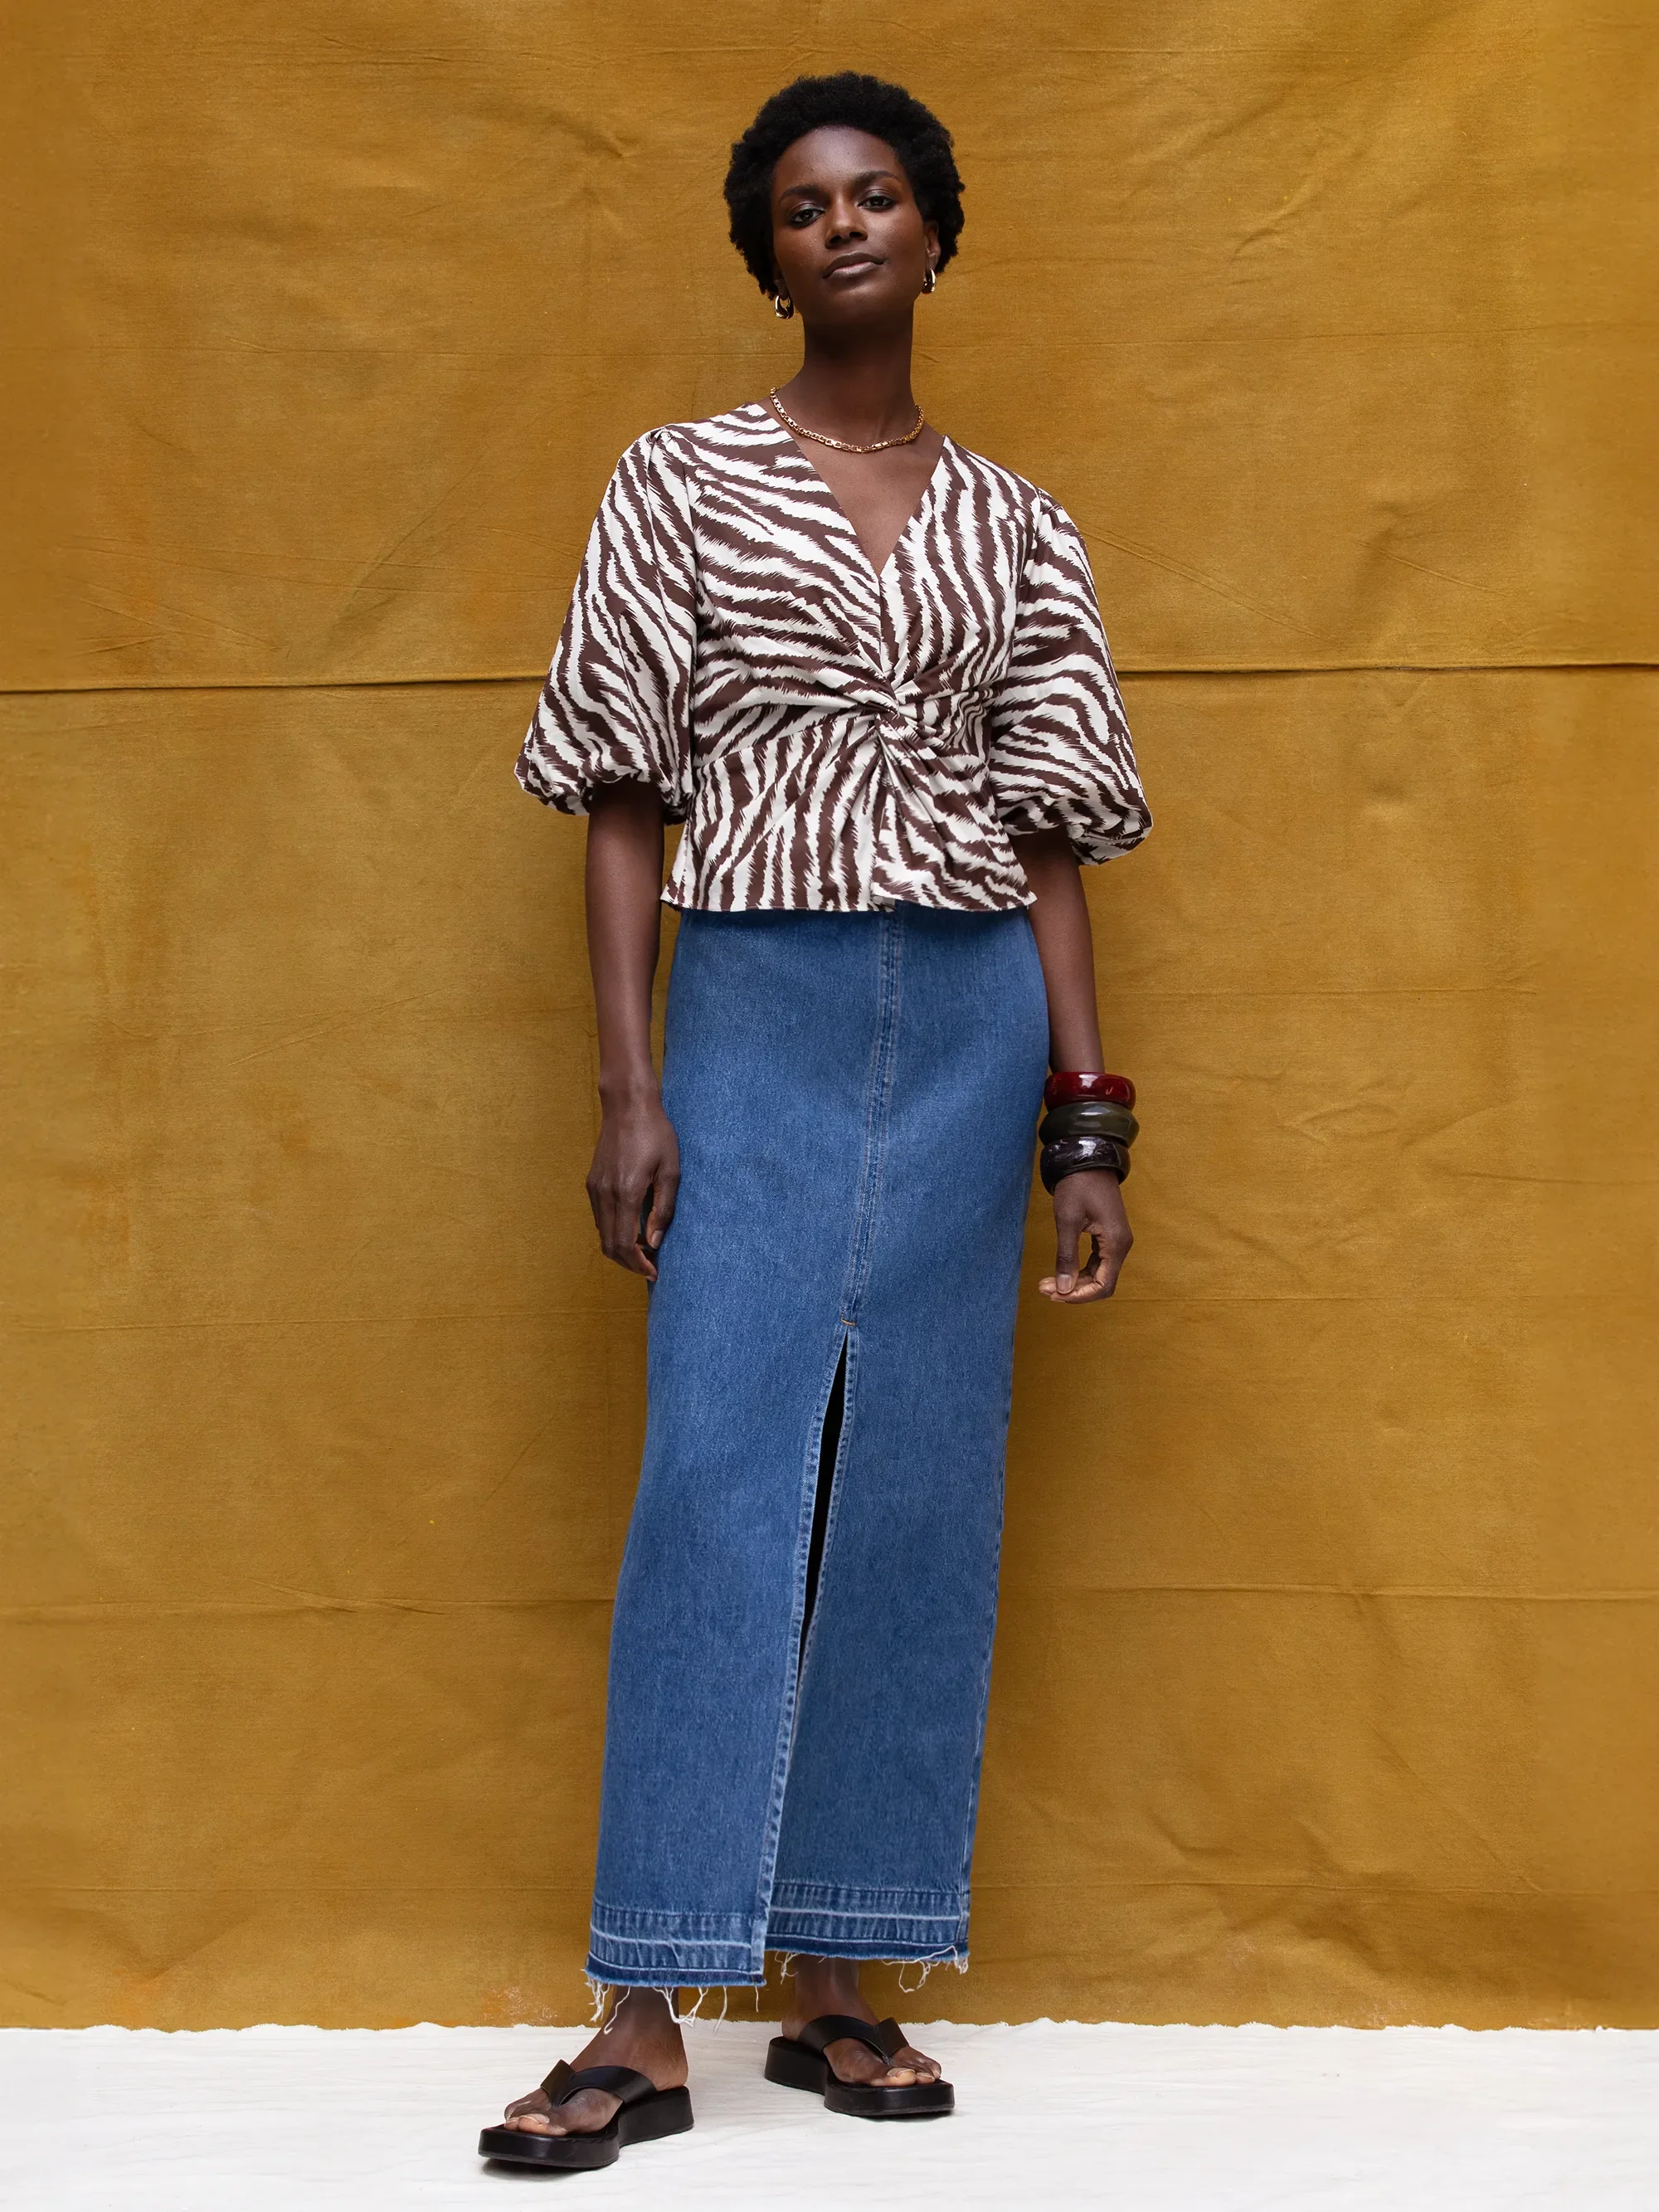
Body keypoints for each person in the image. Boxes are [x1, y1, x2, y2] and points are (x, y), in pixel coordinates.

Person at [478, 70, 1151, 2171]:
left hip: (966, 1021)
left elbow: (1049, 839)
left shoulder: (1018, 526)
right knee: (717, 1478)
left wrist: (1084, 1121)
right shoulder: (676, 484)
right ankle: (644, 2002)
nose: (842, 223)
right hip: (755, 1001)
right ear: (766, 256)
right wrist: (633, 1081)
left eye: (874, 194)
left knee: (916, 1489)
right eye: (801, 204)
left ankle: (842, 1977)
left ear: (933, 231)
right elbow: (622, 792)